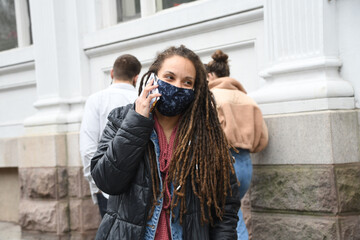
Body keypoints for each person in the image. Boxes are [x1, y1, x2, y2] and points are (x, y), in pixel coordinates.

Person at [91, 45, 240, 239]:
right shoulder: (121, 119)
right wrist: (137, 122)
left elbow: (225, 209)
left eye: (187, 82)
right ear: (153, 78)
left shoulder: (207, 134)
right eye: (169, 77)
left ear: (196, 90)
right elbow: (107, 181)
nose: (177, 86)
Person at [205, 49, 269, 240]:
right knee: (235, 212)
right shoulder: (248, 99)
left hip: (223, 161)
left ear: (209, 75)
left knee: (224, 215)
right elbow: (263, 137)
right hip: (245, 163)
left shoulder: (210, 97)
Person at [80, 54, 142, 218]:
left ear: (112, 73)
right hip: (138, 190)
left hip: (105, 188)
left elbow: (88, 149)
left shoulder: (95, 100)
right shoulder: (141, 100)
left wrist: (97, 185)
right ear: (136, 77)